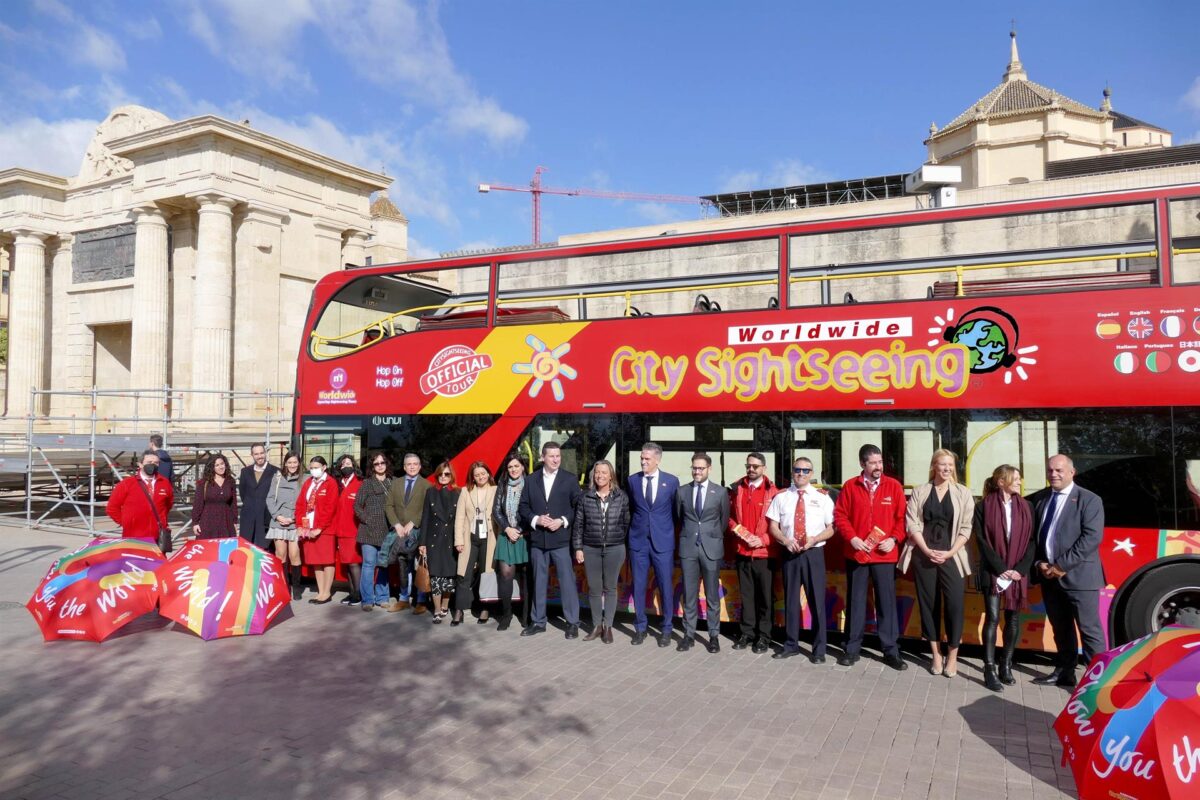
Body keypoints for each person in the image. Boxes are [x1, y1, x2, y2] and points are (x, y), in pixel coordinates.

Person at [1029, 454, 1106, 688]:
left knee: (1089, 630)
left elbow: (1091, 538)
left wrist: (1061, 566)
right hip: (1049, 578)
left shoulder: (1089, 500)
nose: (1054, 474)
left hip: (1080, 578)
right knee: (1061, 629)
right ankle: (1065, 672)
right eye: (1050, 470)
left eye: (1059, 470)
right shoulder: (1041, 499)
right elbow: (1034, 537)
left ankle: (1098, 682)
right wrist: (1039, 563)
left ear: (1072, 472)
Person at [901, 450, 975, 677]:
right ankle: (935, 654)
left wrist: (950, 552)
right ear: (934, 466)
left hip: (952, 557)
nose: (947, 469)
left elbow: (966, 527)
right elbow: (912, 523)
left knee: (954, 605)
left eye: (950, 465)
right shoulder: (920, 491)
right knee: (928, 605)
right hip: (924, 556)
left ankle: (952, 656)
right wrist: (925, 550)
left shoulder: (963, 493)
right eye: (942, 464)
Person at [833, 444, 908, 670]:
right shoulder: (850, 486)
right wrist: (852, 538)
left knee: (886, 603)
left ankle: (890, 650)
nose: (878, 467)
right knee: (855, 603)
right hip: (857, 554)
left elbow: (902, 518)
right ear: (863, 464)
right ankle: (852, 649)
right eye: (873, 463)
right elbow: (840, 516)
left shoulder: (893, 486)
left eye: (880, 462)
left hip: (885, 556)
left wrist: (893, 539)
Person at [766, 457, 835, 663]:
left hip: (813, 553)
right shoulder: (782, 497)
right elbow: (773, 526)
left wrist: (815, 539)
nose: (801, 474)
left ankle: (819, 649)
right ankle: (791, 644)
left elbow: (832, 528)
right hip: (790, 553)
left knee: (817, 603)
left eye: (806, 470)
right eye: (798, 470)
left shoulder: (822, 498)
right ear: (792, 472)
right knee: (790, 600)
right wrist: (785, 540)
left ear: (812, 473)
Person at [974, 464, 1036, 691]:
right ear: (1001, 482)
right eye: (1015, 478)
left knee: (1012, 619)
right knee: (991, 618)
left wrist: (1020, 569)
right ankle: (988, 668)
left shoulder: (1028, 506)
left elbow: (1032, 541)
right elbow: (981, 541)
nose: (1020, 482)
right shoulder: (983, 507)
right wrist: (1001, 568)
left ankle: (1006, 664)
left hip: (1018, 572)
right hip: (993, 571)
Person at [519, 442, 583, 639]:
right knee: (539, 581)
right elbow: (523, 507)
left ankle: (572, 623)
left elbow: (577, 508)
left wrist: (562, 521)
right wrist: (536, 519)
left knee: (567, 583)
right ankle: (538, 621)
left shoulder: (570, 480)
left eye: (558, 456)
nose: (556, 459)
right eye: (552, 456)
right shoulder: (530, 480)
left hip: (561, 540)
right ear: (542, 457)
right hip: (538, 540)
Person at [674, 452, 730, 653]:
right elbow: (679, 518)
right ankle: (688, 635)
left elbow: (723, 521)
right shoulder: (682, 492)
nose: (697, 471)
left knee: (712, 595)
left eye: (701, 468)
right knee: (689, 594)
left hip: (711, 548)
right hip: (688, 548)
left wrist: (709, 535)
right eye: (694, 468)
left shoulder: (720, 492)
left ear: (709, 469)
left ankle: (713, 636)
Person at [627, 442, 680, 647]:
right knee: (638, 586)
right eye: (642, 458)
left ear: (657, 460)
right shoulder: (632, 481)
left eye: (647, 459)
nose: (643, 461)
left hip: (663, 542)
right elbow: (632, 509)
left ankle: (666, 629)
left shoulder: (671, 481)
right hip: (638, 542)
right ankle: (640, 628)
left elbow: (676, 513)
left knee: (666, 586)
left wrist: (665, 532)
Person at [572, 459, 630, 644]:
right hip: (591, 548)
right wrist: (578, 548)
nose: (600, 476)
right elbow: (578, 525)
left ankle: (608, 627)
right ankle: (596, 626)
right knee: (595, 589)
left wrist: (619, 540)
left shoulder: (621, 496)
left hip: (615, 548)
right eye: (597, 472)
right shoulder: (585, 497)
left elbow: (626, 522)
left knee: (610, 588)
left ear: (611, 475)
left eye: (604, 472)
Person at [728, 452, 780, 654]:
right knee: (747, 596)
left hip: (765, 555)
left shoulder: (774, 492)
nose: (751, 469)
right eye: (748, 465)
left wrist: (764, 540)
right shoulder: (737, 489)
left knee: (766, 599)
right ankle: (747, 634)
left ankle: (764, 636)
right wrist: (737, 530)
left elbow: (782, 524)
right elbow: (729, 517)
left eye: (755, 466)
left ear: (764, 468)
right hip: (742, 551)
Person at [454, 461, 498, 625]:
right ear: (473, 477)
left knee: (486, 574)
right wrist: (458, 540)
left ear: (488, 474)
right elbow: (459, 517)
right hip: (469, 538)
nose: (481, 477)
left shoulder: (495, 490)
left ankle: (485, 608)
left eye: (483, 473)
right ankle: (459, 610)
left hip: (489, 537)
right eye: (477, 474)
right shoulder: (466, 491)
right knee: (464, 574)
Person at [385, 453, 428, 615]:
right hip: (400, 533)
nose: (412, 466)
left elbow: (427, 508)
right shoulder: (396, 483)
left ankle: (421, 600)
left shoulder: (426, 485)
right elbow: (389, 506)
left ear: (420, 466)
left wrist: (413, 522)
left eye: (415, 464)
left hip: (418, 532)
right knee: (403, 565)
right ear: (404, 467)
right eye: (409, 464)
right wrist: (396, 524)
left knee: (419, 565)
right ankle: (404, 599)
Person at [492, 453, 531, 631]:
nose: (513, 469)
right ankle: (506, 615)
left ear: (523, 467)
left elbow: (534, 509)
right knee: (506, 576)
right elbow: (496, 510)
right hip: (506, 535)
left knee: (527, 577)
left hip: (526, 535)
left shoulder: (531, 484)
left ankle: (526, 616)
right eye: (510, 467)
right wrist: (507, 528)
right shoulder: (502, 485)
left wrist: (521, 529)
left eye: (516, 466)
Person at [418, 461, 460, 622]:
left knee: (449, 576)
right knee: (435, 577)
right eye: (441, 474)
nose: (443, 477)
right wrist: (422, 543)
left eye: (447, 474)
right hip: (433, 540)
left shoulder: (458, 492)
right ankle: (436, 609)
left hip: (451, 539)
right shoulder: (430, 492)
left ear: (451, 475)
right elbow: (426, 518)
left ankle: (445, 605)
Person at [354, 452, 394, 611]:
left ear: (386, 464)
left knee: (383, 565)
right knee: (369, 564)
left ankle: (383, 598)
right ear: (372, 466)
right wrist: (368, 519)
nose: (380, 466)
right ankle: (368, 600)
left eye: (382, 462)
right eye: (376, 463)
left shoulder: (394, 482)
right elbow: (357, 505)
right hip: (368, 531)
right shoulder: (367, 484)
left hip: (387, 531)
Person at [106, 449, 174, 541]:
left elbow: (168, 505)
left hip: (158, 536)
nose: (153, 465)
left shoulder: (165, 483)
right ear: (140, 464)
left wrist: (163, 521)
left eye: (156, 463)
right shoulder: (127, 484)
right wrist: (126, 523)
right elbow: (112, 508)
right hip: (133, 537)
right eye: (149, 462)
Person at [298, 456, 339, 603]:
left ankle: (327, 592)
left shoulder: (331, 483)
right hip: (309, 527)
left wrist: (320, 528)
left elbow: (330, 508)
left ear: (324, 467)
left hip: (325, 529)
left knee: (327, 560)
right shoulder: (308, 482)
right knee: (316, 561)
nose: (313, 470)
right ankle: (320, 591)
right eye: (311, 467)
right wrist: (300, 525)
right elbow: (300, 504)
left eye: (316, 467)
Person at [267, 451, 305, 600]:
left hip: (295, 522)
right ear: (285, 463)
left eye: (295, 462)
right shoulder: (277, 478)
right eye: (289, 462)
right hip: (278, 521)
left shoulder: (305, 479)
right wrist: (278, 516)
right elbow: (270, 498)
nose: (292, 465)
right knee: (280, 555)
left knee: (294, 555)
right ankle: (284, 587)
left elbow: (308, 502)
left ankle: (296, 587)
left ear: (299, 463)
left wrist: (295, 518)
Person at [331, 454, 364, 605]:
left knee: (353, 563)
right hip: (340, 531)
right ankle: (352, 593)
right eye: (343, 464)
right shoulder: (338, 484)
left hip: (353, 531)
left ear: (354, 466)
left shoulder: (360, 484)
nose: (346, 466)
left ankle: (358, 594)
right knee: (347, 564)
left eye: (349, 463)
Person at [238, 443, 279, 550]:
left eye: (261, 453)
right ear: (252, 455)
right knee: (247, 549)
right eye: (256, 454)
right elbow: (243, 493)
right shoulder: (245, 472)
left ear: (265, 453)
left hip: (266, 518)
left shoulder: (276, 471)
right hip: (248, 517)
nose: (259, 456)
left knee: (265, 550)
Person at [191, 454, 238, 539]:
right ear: (212, 467)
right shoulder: (203, 483)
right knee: (209, 549)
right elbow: (198, 504)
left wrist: (235, 521)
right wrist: (195, 523)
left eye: (222, 464)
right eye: (217, 465)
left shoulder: (230, 481)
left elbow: (233, 503)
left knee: (225, 549)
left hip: (226, 522)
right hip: (208, 522)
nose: (221, 467)